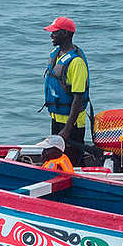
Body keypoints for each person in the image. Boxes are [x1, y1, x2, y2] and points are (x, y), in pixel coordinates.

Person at [42, 17, 90, 165]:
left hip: (72, 125)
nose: (51, 35)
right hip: (57, 119)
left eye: (55, 32)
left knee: (72, 162)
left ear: (66, 34)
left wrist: (66, 131)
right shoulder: (57, 54)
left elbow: (78, 99)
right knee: (56, 159)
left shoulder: (76, 63)